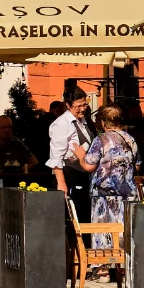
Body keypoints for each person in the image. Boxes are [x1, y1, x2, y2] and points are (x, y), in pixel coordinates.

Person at [80, 104, 138, 252]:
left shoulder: (101, 140)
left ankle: (103, 267)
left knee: (102, 232)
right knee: (123, 231)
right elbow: (137, 165)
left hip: (103, 196)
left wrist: (80, 155)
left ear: (104, 122)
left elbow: (88, 166)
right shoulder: (130, 139)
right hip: (127, 195)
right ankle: (122, 266)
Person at [47, 91, 93, 223]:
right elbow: (56, 156)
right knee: (72, 217)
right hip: (69, 174)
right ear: (68, 105)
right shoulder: (62, 124)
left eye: (84, 105)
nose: (83, 109)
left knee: (83, 214)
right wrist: (61, 183)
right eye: (78, 106)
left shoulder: (82, 120)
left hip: (82, 173)